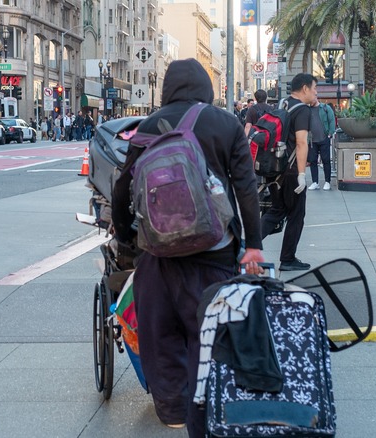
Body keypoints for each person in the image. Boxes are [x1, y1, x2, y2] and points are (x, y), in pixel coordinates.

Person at [111, 58, 264, 437]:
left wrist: (129, 239)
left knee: (159, 334)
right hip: (215, 252)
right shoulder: (226, 123)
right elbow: (246, 188)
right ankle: (206, 410)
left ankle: (173, 411)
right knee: (207, 334)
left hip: (158, 254)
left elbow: (122, 187)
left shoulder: (148, 125)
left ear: (168, 88)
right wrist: (254, 245)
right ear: (205, 88)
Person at [259, 73, 316, 271]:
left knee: (277, 211)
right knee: (296, 215)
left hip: (276, 169)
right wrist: (302, 175)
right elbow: (301, 142)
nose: (316, 92)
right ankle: (288, 258)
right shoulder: (302, 111)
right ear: (305, 88)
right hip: (291, 172)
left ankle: (245, 244)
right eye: (314, 88)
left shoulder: (283, 105)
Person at [307, 100, 336, 191]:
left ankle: (327, 182)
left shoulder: (325, 108)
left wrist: (330, 133)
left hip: (324, 138)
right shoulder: (308, 110)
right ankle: (315, 182)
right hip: (312, 140)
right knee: (313, 161)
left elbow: (332, 120)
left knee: (326, 160)